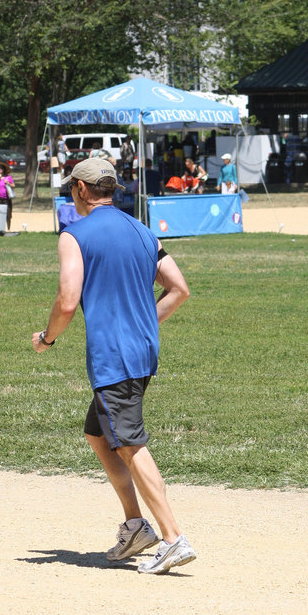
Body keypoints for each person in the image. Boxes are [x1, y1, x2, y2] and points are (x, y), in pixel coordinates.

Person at [31, 156, 196, 575]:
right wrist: (144, 321)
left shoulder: (75, 234)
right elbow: (179, 289)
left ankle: (173, 537)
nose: (72, 193)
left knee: (128, 442)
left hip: (114, 356)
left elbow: (68, 300)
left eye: (73, 187)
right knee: (99, 435)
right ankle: (136, 526)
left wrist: (46, 338)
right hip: (142, 350)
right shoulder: (141, 231)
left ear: (82, 190)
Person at [0, 162, 15, 229]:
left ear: (4, 169)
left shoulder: (8, 177)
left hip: (7, 198)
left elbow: (13, 186)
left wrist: (8, 183)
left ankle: (8, 228)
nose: (0, 169)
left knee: (8, 213)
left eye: (1, 168)